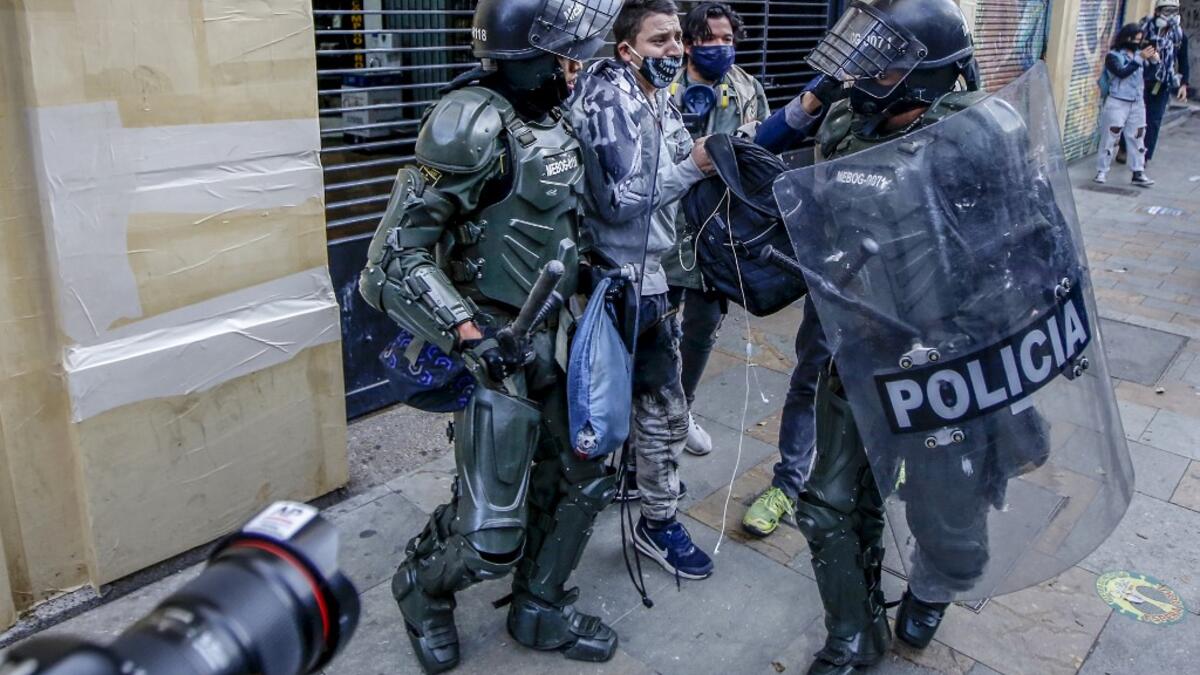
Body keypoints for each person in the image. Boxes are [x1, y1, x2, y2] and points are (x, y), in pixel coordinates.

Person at [772, 1, 1052, 672]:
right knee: (828, 507)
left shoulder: (980, 133)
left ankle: (930, 587)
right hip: (859, 353)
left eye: (885, 56)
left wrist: (985, 338)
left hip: (948, 365)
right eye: (865, 51)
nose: (865, 68)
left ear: (927, 74)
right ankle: (853, 632)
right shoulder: (842, 127)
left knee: (949, 524)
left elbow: (1032, 247)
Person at [358, 1, 623, 672]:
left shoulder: (554, 119)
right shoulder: (468, 123)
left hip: (562, 336)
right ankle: (421, 585)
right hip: (495, 347)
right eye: (561, 56)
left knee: (583, 477)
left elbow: (559, 219)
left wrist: (593, 273)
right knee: (488, 534)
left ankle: (539, 605)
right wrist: (469, 334)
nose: (572, 69)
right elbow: (392, 259)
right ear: (524, 55)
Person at [567, 0, 718, 581]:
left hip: (647, 276)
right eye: (660, 41)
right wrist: (695, 168)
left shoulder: (653, 97)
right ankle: (658, 522)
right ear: (626, 48)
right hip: (616, 282)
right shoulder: (609, 97)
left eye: (678, 39)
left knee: (638, 407)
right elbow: (620, 198)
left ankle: (633, 489)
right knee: (661, 411)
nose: (675, 50)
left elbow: (677, 154)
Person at [662, 1, 771, 458]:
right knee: (655, 330)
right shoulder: (661, 86)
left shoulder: (747, 88)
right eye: (709, 39)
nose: (720, 47)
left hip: (718, 235)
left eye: (728, 39)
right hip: (665, 230)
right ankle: (651, 414)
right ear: (688, 43)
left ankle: (682, 409)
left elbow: (765, 149)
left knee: (703, 329)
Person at [1096, 24, 1158, 186]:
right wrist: (1139, 59)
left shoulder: (1139, 55)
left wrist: (1154, 61)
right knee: (1110, 136)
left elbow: (1150, 76)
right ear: (1126, 38)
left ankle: (1138, 172)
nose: (1138, 43)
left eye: (1140, 40)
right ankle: (1102, 171)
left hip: (1137, 103)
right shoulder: (1113, 56)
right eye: (1135, 39)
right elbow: (1121, 72)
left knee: (1138, 137)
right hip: (1117, 101)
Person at [1139, 0, 1190, 161]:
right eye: (1167, 11)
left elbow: (1183, 61)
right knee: (1134, 117)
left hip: (1163, 82)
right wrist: (1143, 55)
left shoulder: (1179, 35)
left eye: (1174, 11)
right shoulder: (1145, 30)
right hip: (1140, 79)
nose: (1171, 16)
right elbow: (1130, 48)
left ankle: (1144, 157)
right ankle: (1125, 148)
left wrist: (1183, 84)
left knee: (1153, 120)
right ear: (1157, 12)